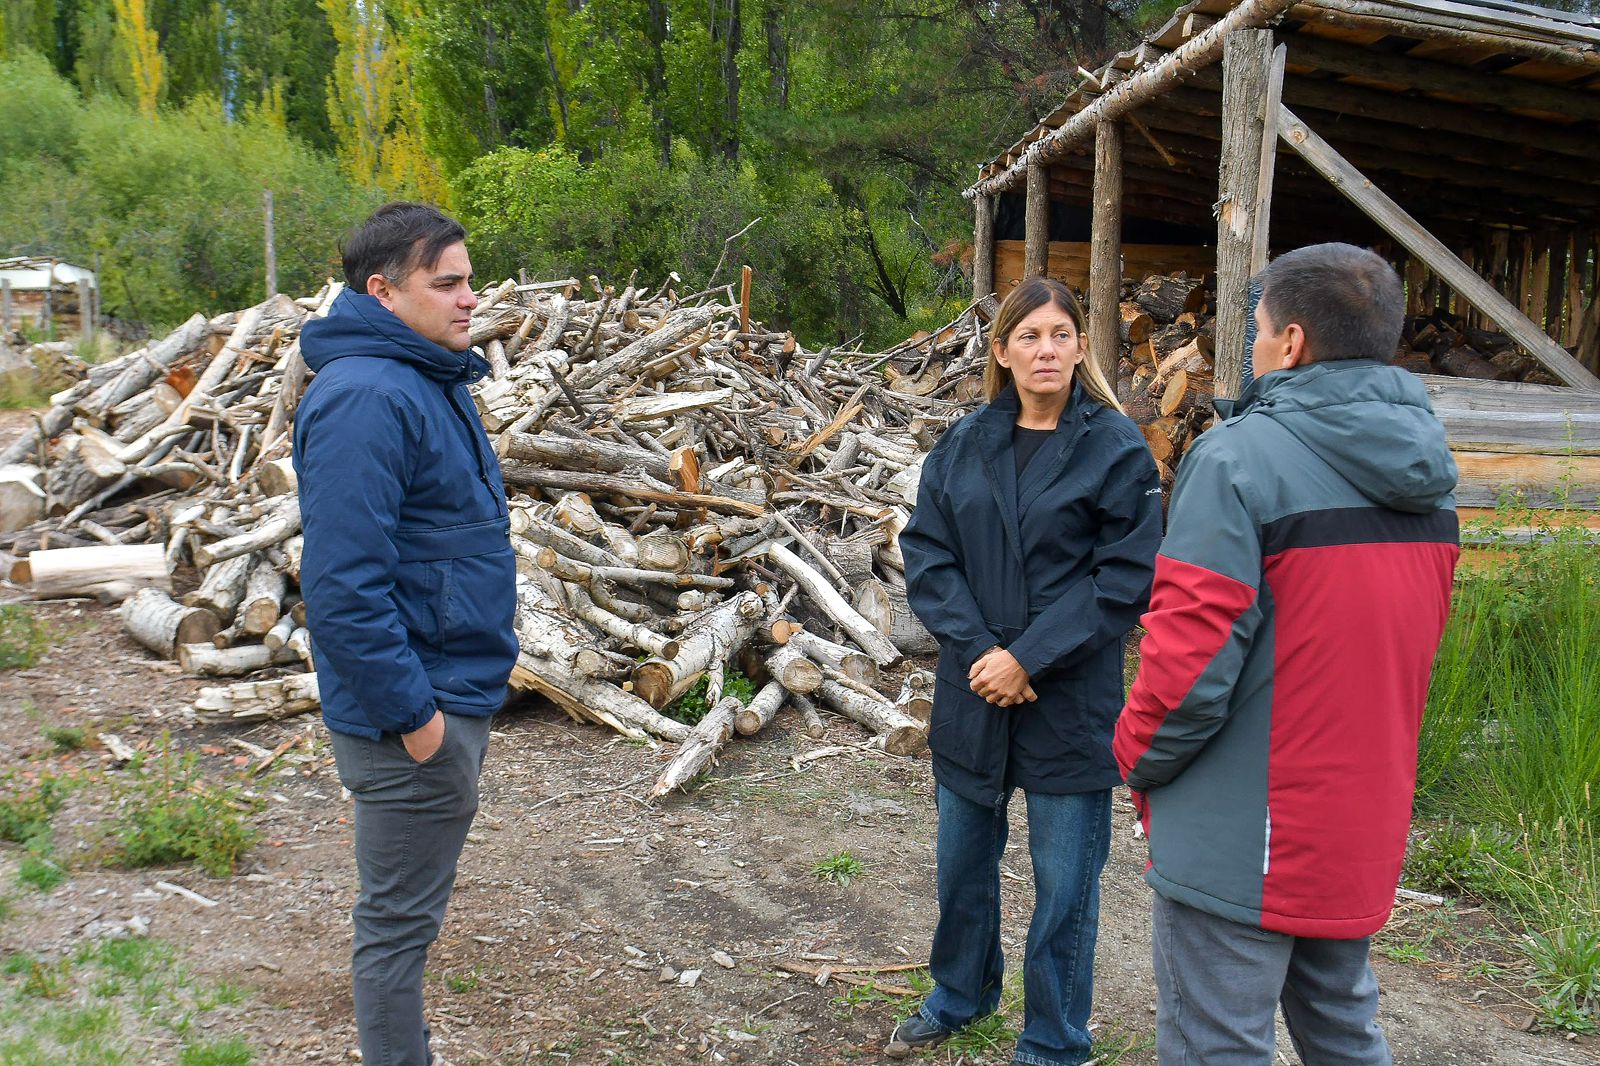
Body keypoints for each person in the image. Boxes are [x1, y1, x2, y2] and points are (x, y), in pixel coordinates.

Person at [1113, 243, 1460, 1065]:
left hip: (1243, 833)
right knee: (1342, 1029)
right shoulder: (1431, 477)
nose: (1256, 349)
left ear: (1293, 342)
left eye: (1259, 331)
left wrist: (1133, 754)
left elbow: (1188, 671)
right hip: (1360, 820)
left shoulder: (1236, 460)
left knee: (1216, 1043)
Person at [893, 277, 1164, 1065]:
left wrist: (1028, 658)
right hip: (974, 690)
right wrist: (984, 653)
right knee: (962, 865)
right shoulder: (965, 443)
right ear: (1001, 351)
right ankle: (960, 993)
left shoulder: (1115, 448)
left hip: (1067, 693)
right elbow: (928, 555)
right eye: (1029, 336)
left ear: (1081, 347)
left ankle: (1052, 1038)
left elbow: (1123, 579)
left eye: (1060, 335)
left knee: (1065, 887)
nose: (1046, 350)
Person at [293, 202, 518, 1066]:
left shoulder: (423, 376)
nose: (469, 299)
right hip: (410, 716)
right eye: (447, 282)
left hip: (445, 691)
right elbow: (343, 589)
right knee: (394, 929)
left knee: (406, 919)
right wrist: (416, 721)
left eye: (470, 279)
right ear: (382, 291)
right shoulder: (366, 397)